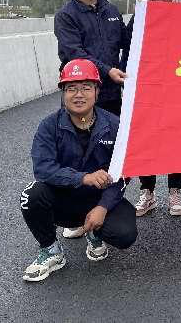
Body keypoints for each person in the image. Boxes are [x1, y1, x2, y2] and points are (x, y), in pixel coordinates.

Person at [20, 59, 137, 282]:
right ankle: (51, 251)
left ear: (97, 92)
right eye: (71, 88)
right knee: (30, 195)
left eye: (86, 88)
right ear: (63, 93)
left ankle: (95, 232)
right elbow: (43, 169)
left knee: (125, 234)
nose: (79, 94)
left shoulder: (114, 125)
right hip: (63, 200)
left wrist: (103, 207)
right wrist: (83, 178)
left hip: (98, 199)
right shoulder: (49, 126)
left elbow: (124, 173)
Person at [129, 0, 181, 218]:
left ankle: (175, 191)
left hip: (176, 89)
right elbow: (128, 48)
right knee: (147, 140)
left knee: (175, 141)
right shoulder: (140, 17)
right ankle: (148, 191)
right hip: (148, 89)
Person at [54, 0, 127, 116]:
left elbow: (128, 41)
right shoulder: (66, 15)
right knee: (78, 133)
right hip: (81, 94)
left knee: (113, 132)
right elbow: (76, 54)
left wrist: (145, 15)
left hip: (112, 93)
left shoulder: (112, 11)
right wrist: (108, 71)